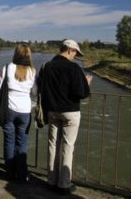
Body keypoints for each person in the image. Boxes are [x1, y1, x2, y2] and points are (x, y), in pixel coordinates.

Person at [37, 39, 92, 195]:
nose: (75, 56)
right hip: (70, 112)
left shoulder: (47, 66)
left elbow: (40, 86)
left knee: (52, 145)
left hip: (52, 111)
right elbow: (81, 93)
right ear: (69, 50)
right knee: (67, 146)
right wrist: (87, 84)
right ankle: (64, 184)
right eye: (75, 53)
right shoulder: (74, 68)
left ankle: (51, 181)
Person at [0, 44, 36, 183]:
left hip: (9, 109)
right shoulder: (32, 71)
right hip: (25, 110)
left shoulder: (7, 67)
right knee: (22, 142)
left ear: (16, 54)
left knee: (9, 141)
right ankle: (22, 173)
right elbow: (34, 91)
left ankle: (10, 173)